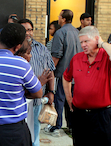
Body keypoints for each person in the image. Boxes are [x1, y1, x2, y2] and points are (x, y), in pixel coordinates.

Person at [18, 19, 55, 146]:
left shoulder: (42, 48)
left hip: (37, 97)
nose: (28, 32)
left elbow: (50, 70)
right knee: (19, 129)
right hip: (19, 98)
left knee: (34, 127)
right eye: (25, 30)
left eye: (30, 29)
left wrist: (51, 91)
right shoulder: (15, 49)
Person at [46, 9, 82, 137]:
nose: (58, 18)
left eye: (59, 16)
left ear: (63, 19)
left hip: (64, 74)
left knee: (59, 100)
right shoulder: (77, 32)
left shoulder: (60, 33)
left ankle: (56, 126)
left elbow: (56, 55)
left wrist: (50, 71)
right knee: (72, 100)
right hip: (77, 74)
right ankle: (72, 125)